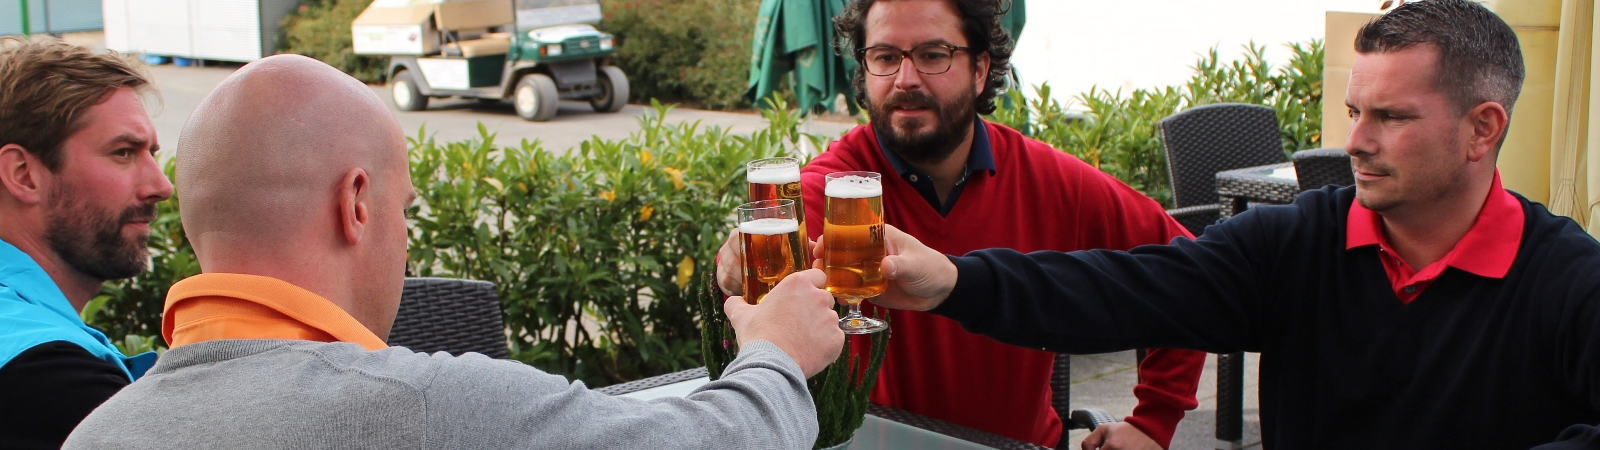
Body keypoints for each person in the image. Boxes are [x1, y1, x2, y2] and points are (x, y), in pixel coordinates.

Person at [859, 0, 1600, 448]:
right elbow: (1125, 287)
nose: (1357, 142)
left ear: (1482, 129)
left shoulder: (1570, 283)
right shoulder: (1296, 243)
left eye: (1392, 118)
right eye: (1354, 113)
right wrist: (953, 281)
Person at [64, 54, 845, 449]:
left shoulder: (98, 433)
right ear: (357, 204)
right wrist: (775, 351)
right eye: (406, 212)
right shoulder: (428, 409)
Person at [716, 0, 1204, 447]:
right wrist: (734, 263)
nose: (905, 78)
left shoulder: (1052, 180)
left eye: (933, 55)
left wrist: (1153, 422)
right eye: (885, 56)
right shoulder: (841, 189)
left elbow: (1188, 271)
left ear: (980, 70)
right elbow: (769, 252)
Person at [0, 35, 172, 449]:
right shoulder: (47, 377)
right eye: (123, 153)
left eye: (151, 152)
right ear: (23, 174)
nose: (161, 186)